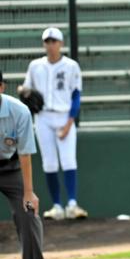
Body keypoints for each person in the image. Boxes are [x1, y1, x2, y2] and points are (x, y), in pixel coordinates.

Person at [20, 27, 88, 221]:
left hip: (64, 115)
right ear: (44, 44)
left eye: (54, 41)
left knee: (68, 160)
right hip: (43, 117)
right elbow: (26, 88)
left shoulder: (71, 66)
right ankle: (57, 206)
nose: (50, 45)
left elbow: (76, 95)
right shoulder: (35, 66)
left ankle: (72, 205)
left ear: (61, 43)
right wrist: (23, 91)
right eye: (47, 41)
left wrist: (69, 122)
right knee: (49, 163)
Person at [0, 70, 49, 259]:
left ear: (1, 88)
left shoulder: (19, 112)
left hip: (10, 167)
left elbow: (25, 154)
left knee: (28, 210)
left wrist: (29, 192)